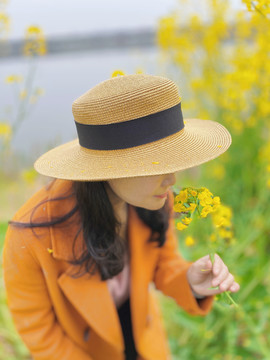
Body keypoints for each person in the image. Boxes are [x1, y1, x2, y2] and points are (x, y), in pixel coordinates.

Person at [3, 74, 240, 360]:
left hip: (145, 342)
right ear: (109, 167)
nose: (172, 178)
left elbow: (164, 263)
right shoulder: (30, 235)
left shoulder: (152, 198)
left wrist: (190, 280)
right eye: (158, 164)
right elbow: (38, 331)